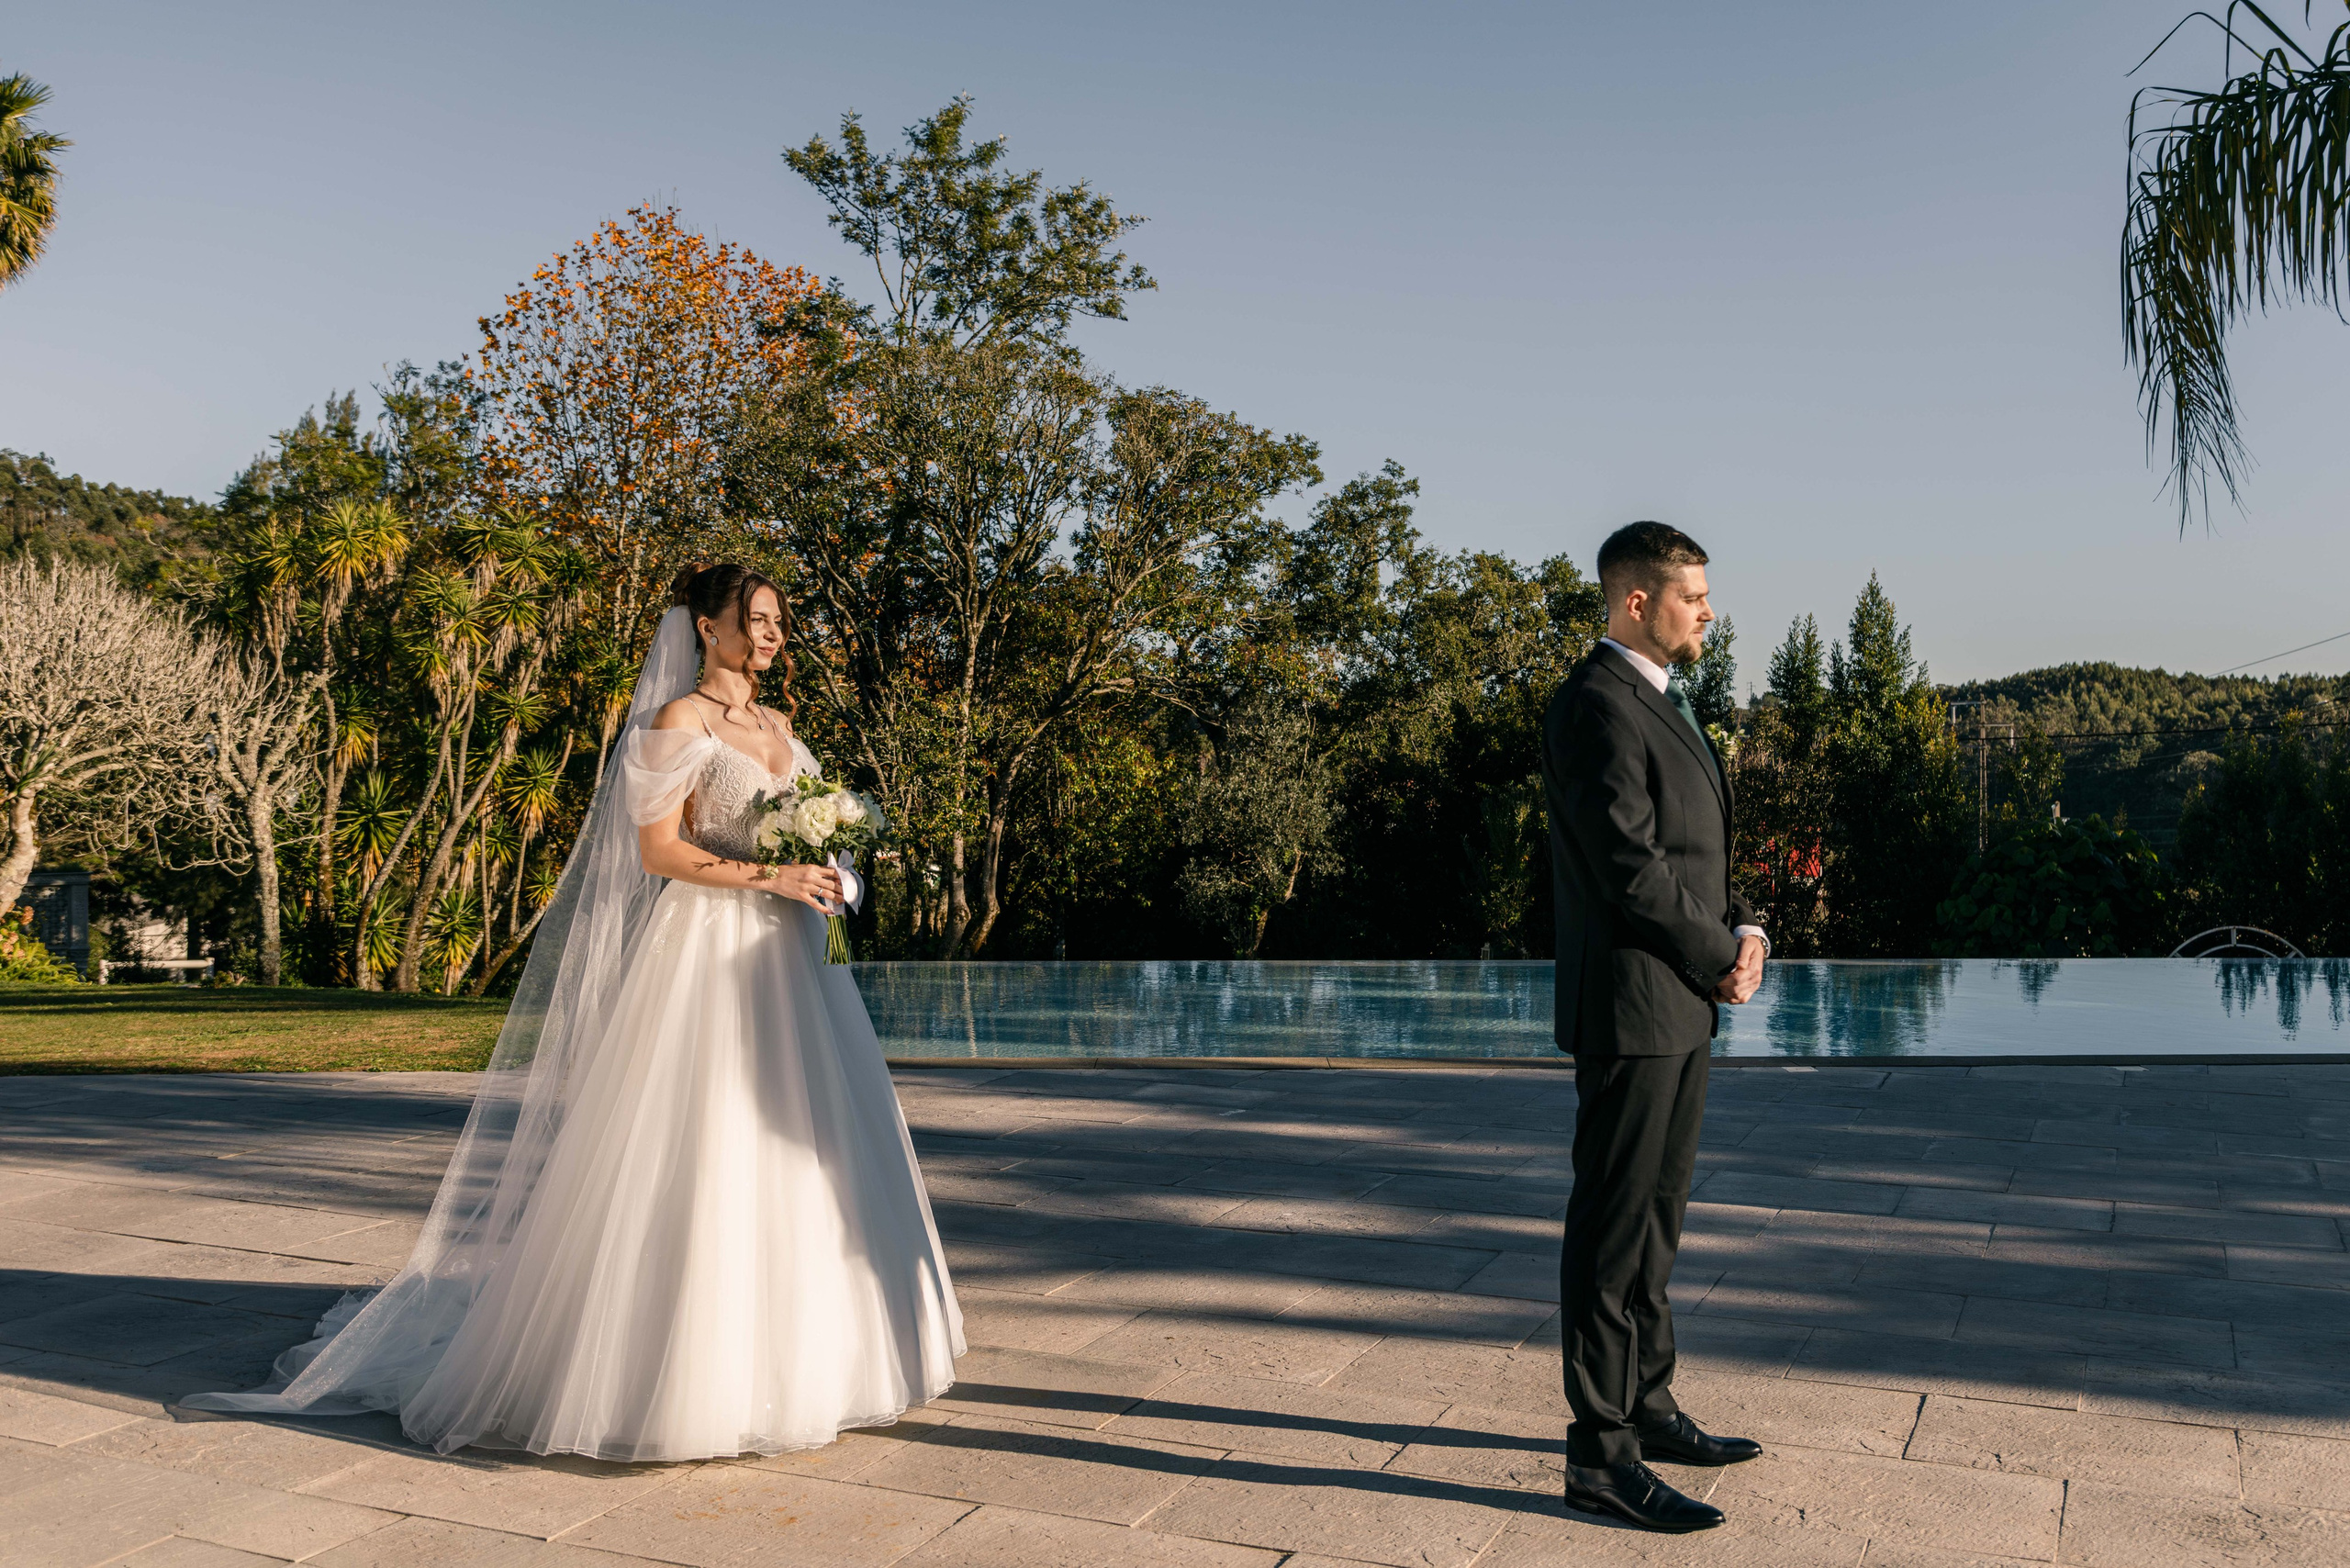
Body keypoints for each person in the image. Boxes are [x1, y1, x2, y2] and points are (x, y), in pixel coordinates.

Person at [184, 563, 964, 1461]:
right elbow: (659, 848)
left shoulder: (782, 724)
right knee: (704, 1145)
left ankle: (825, 1356)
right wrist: (767, 873)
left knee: (816, 1144)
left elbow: (810, 830)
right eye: (751, 619)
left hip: (789, 957)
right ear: (705, 628)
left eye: (777, 619)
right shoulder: (678, 722)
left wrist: (827, 870)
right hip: (705, 955)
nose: (770, 633)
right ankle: (676, 1375)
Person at [1540, 521, 1766, 1532]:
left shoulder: (1659, 700)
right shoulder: (1595, 703)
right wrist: (1718, 952)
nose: (1707, 613)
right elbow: (1630, 867)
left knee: (1659, 1220)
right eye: (1694, 597)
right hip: (1632, 1005)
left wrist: (1744, 928)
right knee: (1612, 1228)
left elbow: (1691, 849)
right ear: (1636, 600)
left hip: (1679, 1002)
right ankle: (1599, 1452)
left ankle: (1649, 1401)